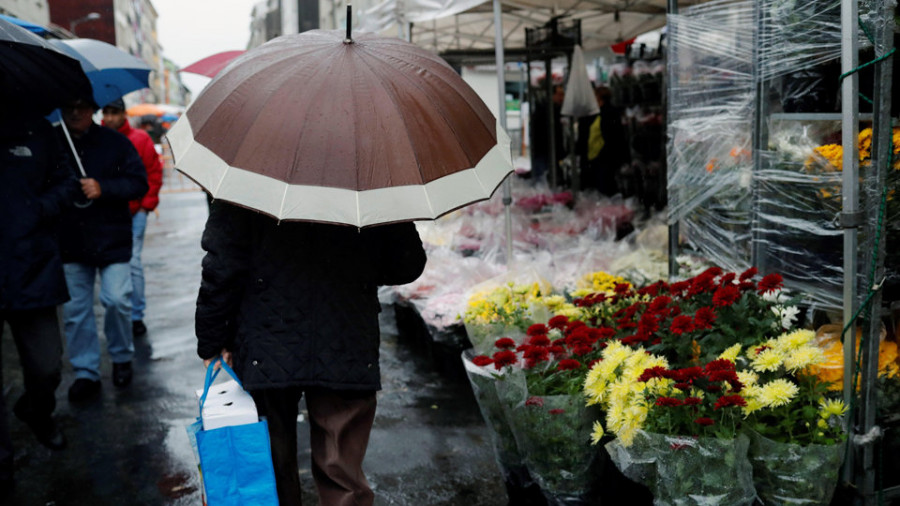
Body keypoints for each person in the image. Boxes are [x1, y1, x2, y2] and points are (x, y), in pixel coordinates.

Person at [196, 201, 427, 506]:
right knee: (342, 472)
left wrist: (212, 340)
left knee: (268, 467)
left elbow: (222, 266)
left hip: (267, 339)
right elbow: (405, 263)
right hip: (345, 337)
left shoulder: (252, 180)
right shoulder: (369, 178)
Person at [0, 107, 79, 494]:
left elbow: (67, 183)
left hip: (32, 268)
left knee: (47, 365)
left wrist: (40, 208)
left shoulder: (37, 131)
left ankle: (37, 411)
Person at [59, 97, 148, 403]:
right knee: (75, 312)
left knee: (117, 300)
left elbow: (139, 183)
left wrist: (103, 188)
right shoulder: (54, 143)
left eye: (81, 106)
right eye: (69, 107)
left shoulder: (115, 143)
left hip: (112, 239)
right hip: (71, 241)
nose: (75, 112)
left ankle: (121, 356)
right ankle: (86, 372)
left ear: (91, 109)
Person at [101, 99, 163, 337]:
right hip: (108, 212)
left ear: (123, 114)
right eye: (106, 112)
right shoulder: (97, 140)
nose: (109, 117)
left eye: (114, 112)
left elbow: (153, 172)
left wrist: (146, 205)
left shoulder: (139, 139)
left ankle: (136, 315)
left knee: (133, 261)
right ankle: (124, 314)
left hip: (134, 211)